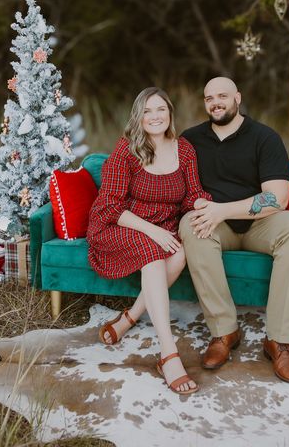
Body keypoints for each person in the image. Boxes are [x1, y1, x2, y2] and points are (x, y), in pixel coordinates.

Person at [179, 77, 289, 384]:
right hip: (217, 227)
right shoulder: (190, 140)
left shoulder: (264, 137)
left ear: (237, 97)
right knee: (191, 224)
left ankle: (279, 342)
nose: (216, 102)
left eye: (222, 95)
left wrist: (222, 209)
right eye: (209, 97)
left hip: (259, 224)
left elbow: (277, 199)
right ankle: (224, 331)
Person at [87, 87, 211, 395]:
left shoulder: (184, 149)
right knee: (153, 251)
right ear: (138, 116)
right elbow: (110, 205)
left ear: (170, 113)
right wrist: (152, 231)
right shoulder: (127, 149)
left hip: (161, 226)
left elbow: (192, 193)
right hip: (118, 224)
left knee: (180, 253)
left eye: (161, 110)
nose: (155, 116)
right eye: (147, 111)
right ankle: (169, 354)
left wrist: (206, 208)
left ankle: (129, 318)